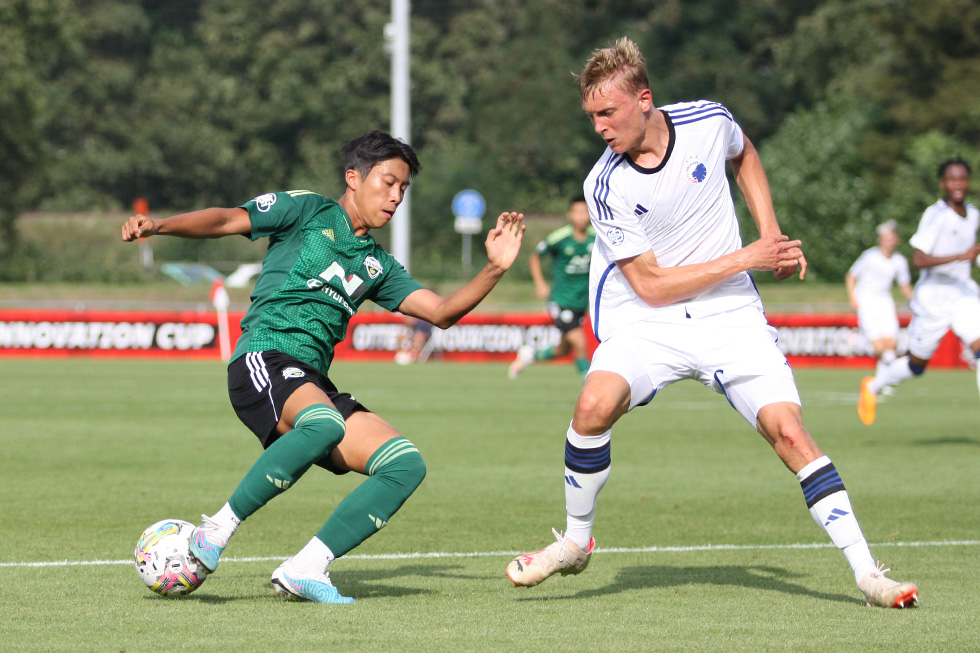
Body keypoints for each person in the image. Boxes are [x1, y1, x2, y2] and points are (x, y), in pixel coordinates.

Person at [504, 38, 918, 608]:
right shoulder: (604, 185)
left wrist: (769, 234)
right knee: (592, 406)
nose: (598, 126)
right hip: (651, 319)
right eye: (591, 116)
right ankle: (576, 542)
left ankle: (870, 575)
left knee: (791, 434)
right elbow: (650, 285)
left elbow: (744, 154)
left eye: (608, 112)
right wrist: (749, 256)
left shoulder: (708, 120)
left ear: (644, 100)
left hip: (731, 317)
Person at [121, 130, 525, 603]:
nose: (396, 196)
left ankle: (307, 566)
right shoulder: (308, 210)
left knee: (404, 465)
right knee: (323, 422)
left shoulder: (377, 265)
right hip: (264, 355)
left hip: (312, 382)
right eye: (389, 182)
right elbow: (231, 218)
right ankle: (214, 533)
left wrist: (494, 268)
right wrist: (160, 225)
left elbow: (441, 312)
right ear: (353, 177)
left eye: (404, 189)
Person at [858, 157, 980, 425]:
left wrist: (971, 257)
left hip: (964, 294)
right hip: (934, 299)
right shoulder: (935, 215)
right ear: (942, 183)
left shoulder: (973, 214)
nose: (957, 184)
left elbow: (971, 254)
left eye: (962, 179)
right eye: (952, 179)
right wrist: (961, 255)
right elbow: (919, 259)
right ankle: (874, 386)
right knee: (916, 365)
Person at [509, 196, 595, 379]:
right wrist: (540, 283)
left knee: (563, 349)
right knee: (579, 342)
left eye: (585, 212)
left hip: (581, 303)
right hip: (561, 300)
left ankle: (529, 355)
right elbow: (535, 256)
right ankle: (590, 384)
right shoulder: (560, 237)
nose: (581, 216)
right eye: (577, 212)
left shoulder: (596, 237)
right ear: (570, 215)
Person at [845, 220, 914, 389]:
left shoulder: (899, 261)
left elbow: (904, 286)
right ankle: (858, 340)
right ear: (881, 239)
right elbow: (851, 276)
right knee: (879, 347)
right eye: (885, 238)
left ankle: (883, 382)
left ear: (896, 240)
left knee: (891, 345)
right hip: (867, 300)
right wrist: (853, 298)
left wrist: (916, 303)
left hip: (885, 301)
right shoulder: (869, 256)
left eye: (892, 238)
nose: (888, 241)